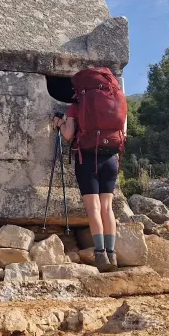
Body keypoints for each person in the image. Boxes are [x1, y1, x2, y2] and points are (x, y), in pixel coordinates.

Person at [53, 107, 120, 272]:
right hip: (111, 159)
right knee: (107, 208)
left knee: (93, 208)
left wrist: (60, 123)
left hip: (88, 159)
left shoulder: (76, 107)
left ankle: (100, 253)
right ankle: (112, 254)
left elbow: (68, 135)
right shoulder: (113, 103)